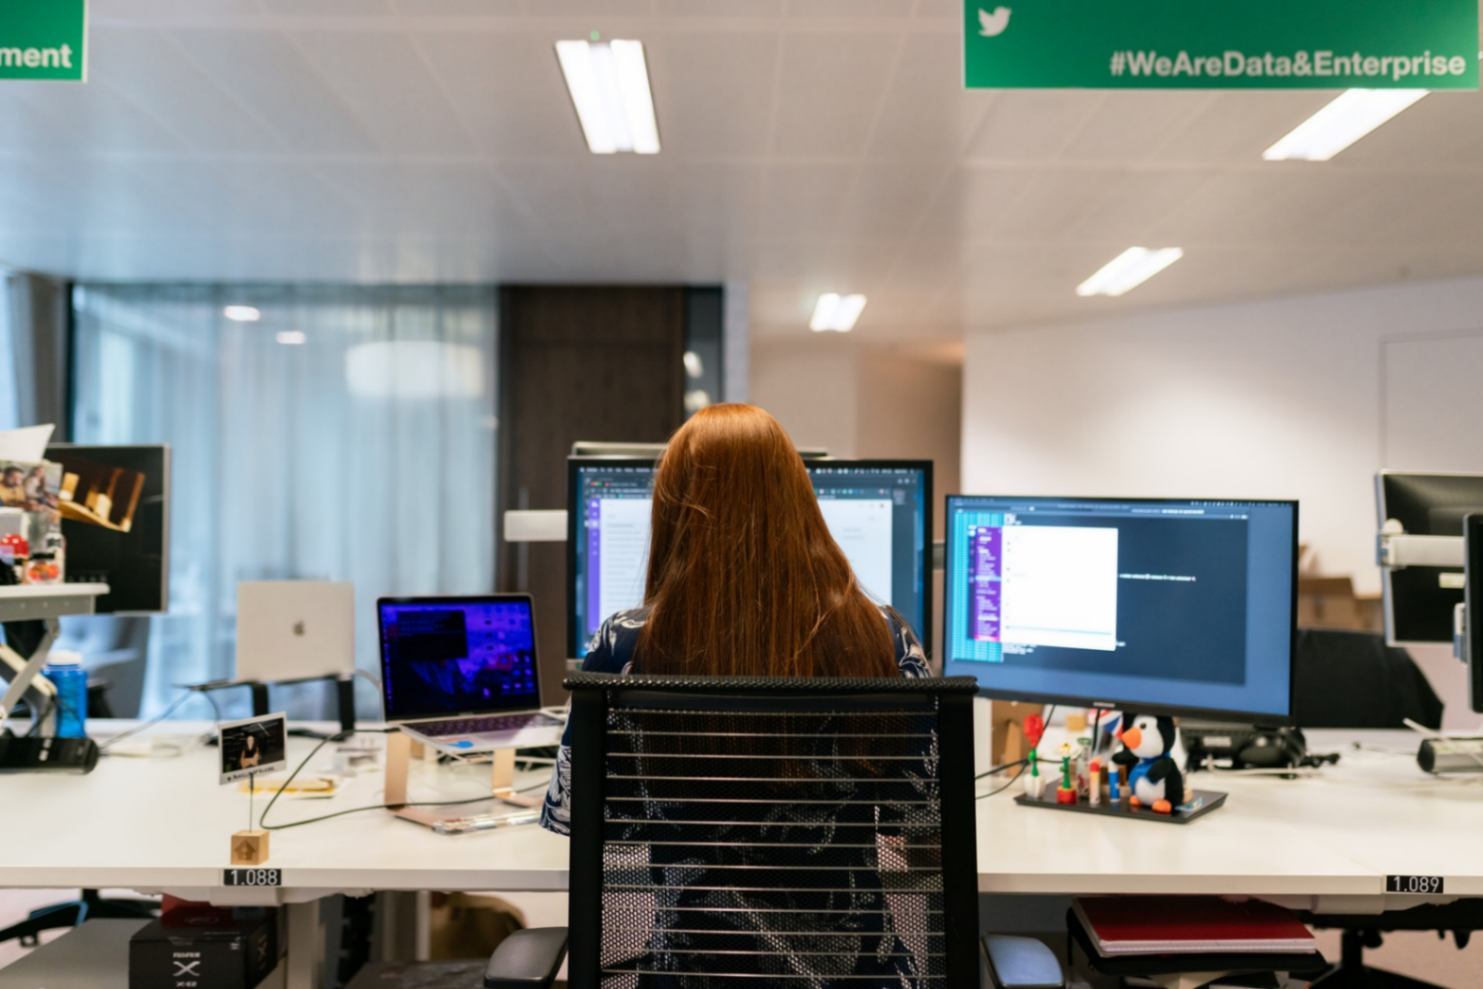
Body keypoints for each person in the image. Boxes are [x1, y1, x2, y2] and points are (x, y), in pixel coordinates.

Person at [541, 402, 927, 831]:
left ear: (674, 513)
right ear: (799, 502)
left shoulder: (624, 642)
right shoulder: (885, 634)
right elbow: (923, 820)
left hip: (691, 900)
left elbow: (574, 815)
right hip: (841, 898)